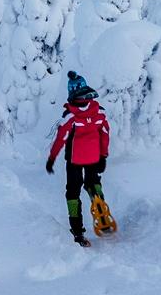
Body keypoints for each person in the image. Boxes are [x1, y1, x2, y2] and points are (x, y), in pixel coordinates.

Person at [45, 71, 112, 247]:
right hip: (94, 157)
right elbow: (105, 134)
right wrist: (103, 156)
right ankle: (101, 213)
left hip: (74, 160)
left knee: (73, 193)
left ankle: (77, 232)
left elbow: (61, 138)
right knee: (93, 183)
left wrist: (52, 158)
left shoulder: (71, 116)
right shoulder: (99, 112)